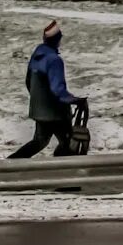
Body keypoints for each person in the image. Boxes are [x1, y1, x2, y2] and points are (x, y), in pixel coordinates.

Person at [10, 20, 82, 158]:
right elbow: (57, 89)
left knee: (39, 141)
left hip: (39, 110)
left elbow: (28, 81)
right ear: (58, 39)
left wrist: (38, 100)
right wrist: (74, 100)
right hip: (55, 113)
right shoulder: (54, 60)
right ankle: (62, 170)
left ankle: (11, 162)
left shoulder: (36, 56)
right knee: (67, 141)